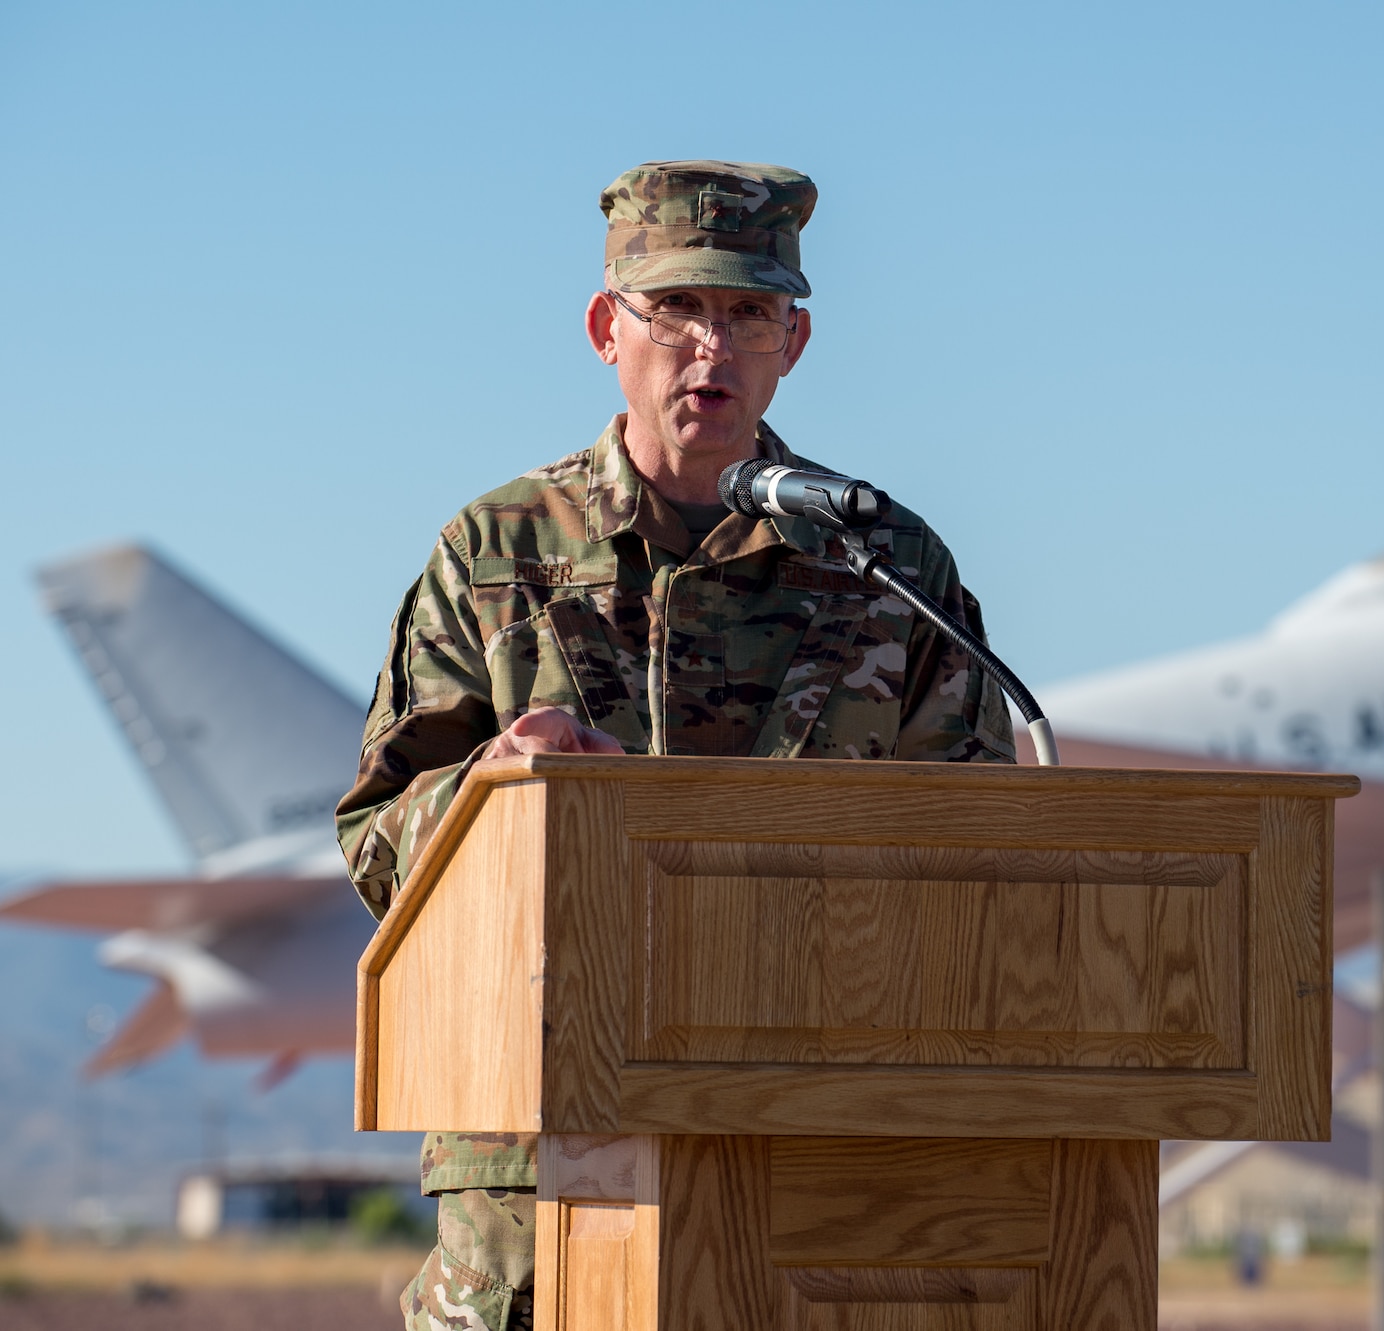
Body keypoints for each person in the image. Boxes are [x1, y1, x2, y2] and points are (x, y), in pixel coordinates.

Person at [335, 159, 1016, 1331]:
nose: (713, 345)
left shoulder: (885, 562)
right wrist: (488, 794)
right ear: (609, 328)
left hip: (806, 1151)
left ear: (793, 339)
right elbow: (375, 846)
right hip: (543, 1159)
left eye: (748, 312)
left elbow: (983, 855)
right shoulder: (497, 551)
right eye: (678, 310)